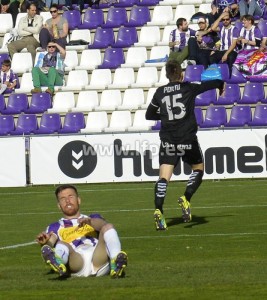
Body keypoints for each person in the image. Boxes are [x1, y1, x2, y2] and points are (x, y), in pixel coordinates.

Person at [145, 60, 224, 230]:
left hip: (168, 140)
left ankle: (158, 210)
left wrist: (165, 115)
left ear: (167, 75)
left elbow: (149, 115)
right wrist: (220, 84)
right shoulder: (188, 87)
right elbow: (209, 84)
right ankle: (186, 197)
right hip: (187, 139)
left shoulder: (160, 92)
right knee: (198, 168)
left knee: (164, 177)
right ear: (181, 74)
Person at [36, 184, 128, 278]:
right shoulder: (55, 226)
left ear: (78, 200)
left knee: (108, 227)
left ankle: (116, 262)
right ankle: (58, 262)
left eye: (70, 196)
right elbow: (50, 242)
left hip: (97, 258)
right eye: (63, 199)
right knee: (62, 244)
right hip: (76, 261)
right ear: (59, 205)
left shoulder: (93, 218)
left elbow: (103, 225)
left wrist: (90, 222)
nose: (67, 201)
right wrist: (45, 243)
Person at [209, 12, 239, 76]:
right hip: (222, 50)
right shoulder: (221, 28)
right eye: (223, 20)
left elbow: (233, 44)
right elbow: (213, 28)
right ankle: (216, 75)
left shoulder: (234, 29)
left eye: (227, 19)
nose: (225, 21)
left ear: (230, 19)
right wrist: (220, 17)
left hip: (231, 51)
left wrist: (226, 54)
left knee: (230, 57)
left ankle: (229, 76)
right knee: (212, 58)